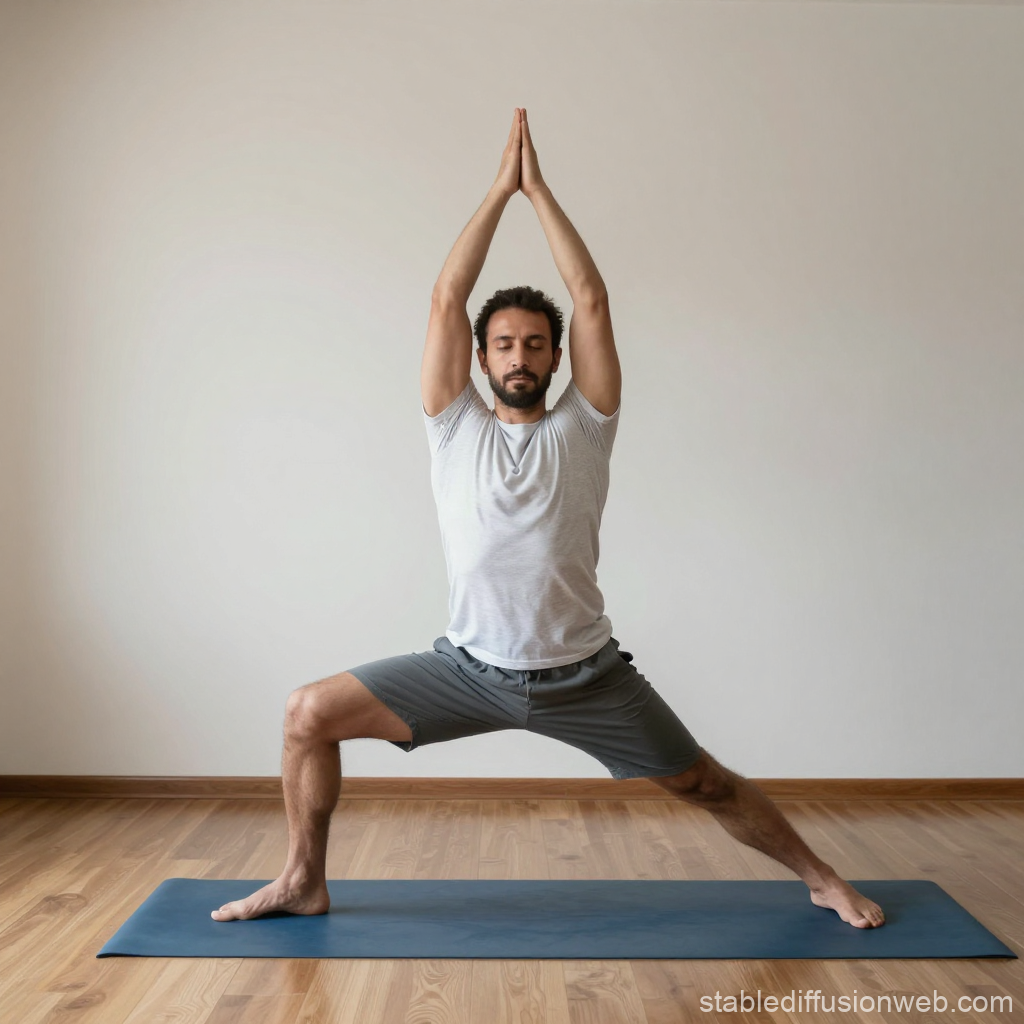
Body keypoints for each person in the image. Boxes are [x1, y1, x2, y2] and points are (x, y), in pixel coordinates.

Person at [212, 109, 885, 929]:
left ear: (554, 359)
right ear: (481, 356)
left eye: (535, 344)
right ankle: (303, 880)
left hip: (585, 678)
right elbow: (445, 297)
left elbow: (592, 298)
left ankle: (821, 877)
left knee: (703, 781)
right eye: (503, 344)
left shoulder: (584, 426)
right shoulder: (451, 423)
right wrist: (500, 191)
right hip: (467, 670)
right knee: (305, 714)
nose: (519, 356)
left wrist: (543, 194)